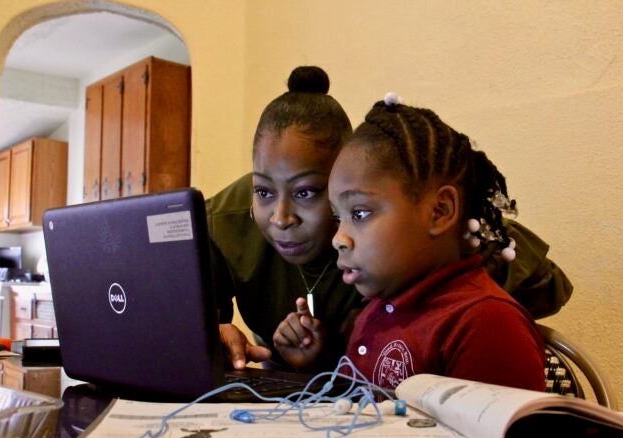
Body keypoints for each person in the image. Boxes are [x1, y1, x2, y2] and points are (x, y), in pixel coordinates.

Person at [207, 66, 569, 375]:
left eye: (307, 192)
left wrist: (444, 290)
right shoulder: (223, 219)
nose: (281, 217)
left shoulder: (478, 318)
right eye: (263, 191)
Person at [318, 93, 546, 390]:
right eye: (338, 218)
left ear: (440, 212)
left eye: (359, 213)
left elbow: (506, 437)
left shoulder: (486, 324)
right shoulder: (377, 310)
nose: (338, 238)